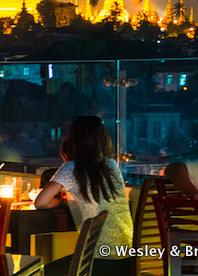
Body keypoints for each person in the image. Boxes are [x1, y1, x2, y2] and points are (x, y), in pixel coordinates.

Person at [34, 116, 133, 276]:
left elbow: (40, 202)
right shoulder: (112, 165)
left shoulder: (71, 168)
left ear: (72, 141)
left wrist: (60, 203)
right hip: (127, 260)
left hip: (100, 263)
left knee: (42, 271)